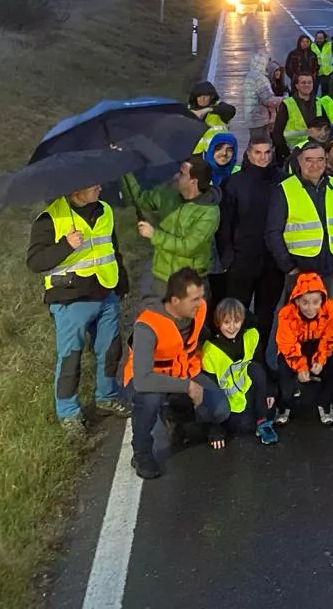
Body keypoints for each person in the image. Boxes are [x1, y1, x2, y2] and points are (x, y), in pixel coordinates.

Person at [27, 182, 130, 436]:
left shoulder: (105, 210)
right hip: (70, 299)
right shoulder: (49, 218)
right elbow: (35, 262)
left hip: (106, 292)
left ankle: (106, 396)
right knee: (71, 358)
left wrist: (122, 283)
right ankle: (68, 413)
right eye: (93, 185)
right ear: (75, 190)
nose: (100, 187)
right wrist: (66, 245)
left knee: (110, 350)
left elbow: (111, 249)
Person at [125, 268, 227, 479]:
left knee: (221, 409)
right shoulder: (147, 325)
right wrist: (187, 386)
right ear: (175, 300)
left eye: (201, 297)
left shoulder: (199, 310)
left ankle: (177, 418)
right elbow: (143, 379)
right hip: (150, 380)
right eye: (194, 299)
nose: (200, 303)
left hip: (184, 372)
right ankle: (141, 453)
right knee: (150, 400)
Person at [122, 157, 220, 300]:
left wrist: (154, 235)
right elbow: (139, 199)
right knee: (158, 320)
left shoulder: (209, 212)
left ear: (193, 182)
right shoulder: (169, 196)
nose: (176, 176)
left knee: (187, 322)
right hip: (161, 278)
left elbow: (188, 247)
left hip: (189, 282)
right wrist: (125, 169)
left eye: (181, 174)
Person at [215, 133, 283, 334]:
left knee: (266, 314)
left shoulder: (284, 181)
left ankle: (259, 360)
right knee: (235, 313)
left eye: (267, 152)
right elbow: (224, 224)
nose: (263, 157)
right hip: (242, 261)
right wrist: (227, 259)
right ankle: (236, 360)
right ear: (249, 154)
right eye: (258, 152)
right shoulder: (233, 183)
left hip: (273, 262)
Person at [265, 140, 333, 302]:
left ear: (325, 160)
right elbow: (273, 232)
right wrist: (289, 267)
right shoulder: (285, 189)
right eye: (309, 160)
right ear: (299, 162)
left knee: (330, 316)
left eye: (319, 160)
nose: (314, 165)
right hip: (301, 268)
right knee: (298, 319)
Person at [200, 297, 277, 447]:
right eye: (226, 322)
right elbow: (209, 389)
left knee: (257, 370)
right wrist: (215, 429)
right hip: (224, 401)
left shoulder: (251, 335)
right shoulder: (210, 350)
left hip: (244, 393)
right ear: (217, 322)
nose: (232, 327)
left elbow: (260, 364)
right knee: (238, 427)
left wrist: (269, 391)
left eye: (236, 321)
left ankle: (263, 422)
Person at [270, 271, 333, 426]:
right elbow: (287, 344)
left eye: (316, 302)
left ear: (322, 299)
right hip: (295, 350)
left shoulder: (331, 309)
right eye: (305, 302)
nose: (311, 308)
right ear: (296, 301)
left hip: (319, 346)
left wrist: (320, 359)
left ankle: (325, 403)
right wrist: (300, 367)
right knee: (283, 370)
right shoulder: (286, 314)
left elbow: (330, 337)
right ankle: (284, 406)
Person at [272, 71, 333, 158]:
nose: (307, 85)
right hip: (293, 152)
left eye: (310, 82)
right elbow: (277, 132)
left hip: (315, 151)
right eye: (303, 83)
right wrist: (285, 153)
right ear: (297, 86)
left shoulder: (319, 103)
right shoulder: (287, 104)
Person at [239, 51, 281, 135]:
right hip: (260, 118)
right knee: (263, 143)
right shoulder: (260, 79)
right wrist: (284, 99)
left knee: (254, 142)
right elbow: (269, 100)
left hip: (251, 117)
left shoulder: (249, 76)